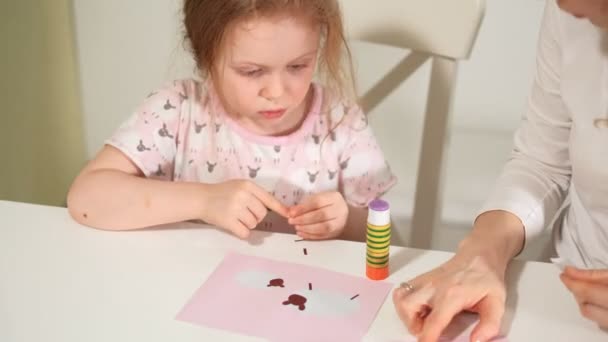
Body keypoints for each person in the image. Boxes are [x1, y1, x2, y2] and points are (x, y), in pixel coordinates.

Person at [67, 0, 395, 242]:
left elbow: (386, 239)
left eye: (298, 66)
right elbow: (85, 199)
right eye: (252, 72)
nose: (277, 92)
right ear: (206, 58)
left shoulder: (342, 121)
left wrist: (346, 221)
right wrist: (205, 200)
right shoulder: (177, 111)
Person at [392, 1, 608, 341]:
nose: (566, 9)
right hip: (563, 283)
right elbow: (543, 160)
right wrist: (482, 252)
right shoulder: (567, 10)